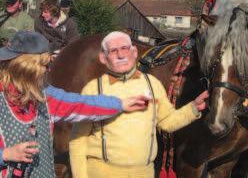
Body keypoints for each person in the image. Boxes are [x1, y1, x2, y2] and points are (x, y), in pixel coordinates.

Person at [0, 31, 148, 177]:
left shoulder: (45, 96)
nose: (49, 70)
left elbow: (82, 104)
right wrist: (5, 154)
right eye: (45, 65)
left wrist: (120, 104)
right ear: (30, 68)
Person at [69, 31, 209, 178]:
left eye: (125, 48)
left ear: (134, 52)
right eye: (113, 51)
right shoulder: (93, 90)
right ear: (103, 58)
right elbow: (78, 141)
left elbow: (166, 121)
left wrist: (193, 108)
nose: (121, 55)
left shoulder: (152, 84)